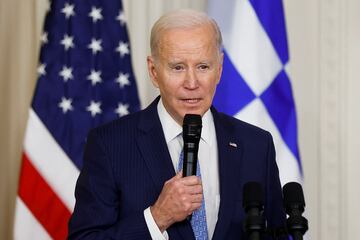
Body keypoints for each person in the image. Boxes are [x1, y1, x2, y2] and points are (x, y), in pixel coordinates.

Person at [68, 9, 286, 240]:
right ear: (154, 71)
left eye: (203, 66)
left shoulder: (256, 145)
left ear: (219, 69)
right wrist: (157, 217)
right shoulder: (110, 145)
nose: (192, 83)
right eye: (178, 67)